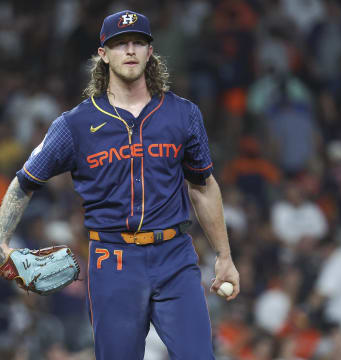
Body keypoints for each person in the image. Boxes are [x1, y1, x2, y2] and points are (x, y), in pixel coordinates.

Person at [0, 10, 239, 360]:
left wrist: (225, 256)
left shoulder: (183, 114)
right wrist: (1, 240)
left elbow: (203, 186)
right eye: (119, 44)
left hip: (175, 257)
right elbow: (24, 183)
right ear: (103, 54)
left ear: (150, 52)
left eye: (138, 42)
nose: (129, 50)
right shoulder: (75, 125)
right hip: (113, 261)